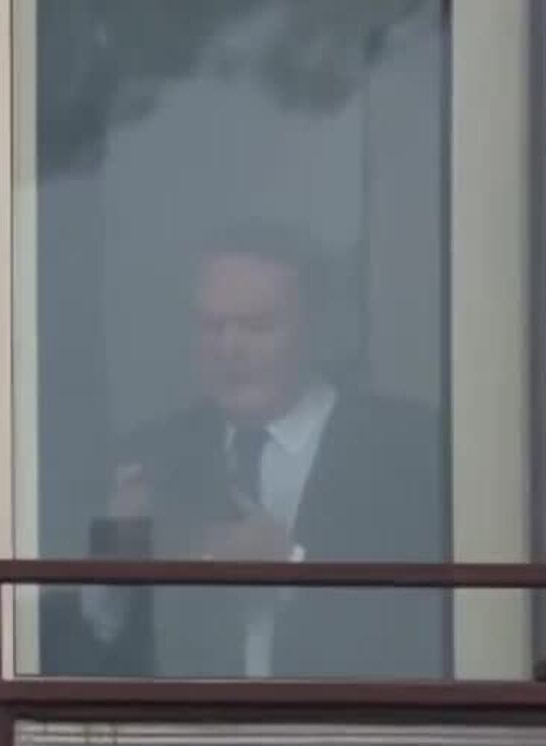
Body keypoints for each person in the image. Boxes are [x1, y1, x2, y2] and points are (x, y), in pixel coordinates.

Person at [74, 222, 447, 678]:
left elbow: (434, 624)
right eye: (211, 326)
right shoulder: (155, 453)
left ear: (316, 329)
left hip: (353, 718)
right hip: (195, 721)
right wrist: (116, 545)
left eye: (257, 325)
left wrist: (293, 567)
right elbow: (95, 640)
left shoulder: (406, 447)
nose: (229, 347)